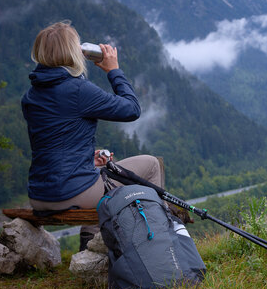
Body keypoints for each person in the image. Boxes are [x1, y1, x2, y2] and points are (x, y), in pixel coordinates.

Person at [21, 21, 164, 249]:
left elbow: (54, 142)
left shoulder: (31, 96)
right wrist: (113, 70)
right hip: (70, 194)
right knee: (151, 164)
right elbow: (131, 109)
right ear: (73, 52)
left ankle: (89, 249)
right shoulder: (78, 90)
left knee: (100, 174)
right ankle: (155, 242)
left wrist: (87, 157)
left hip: (39, 195)